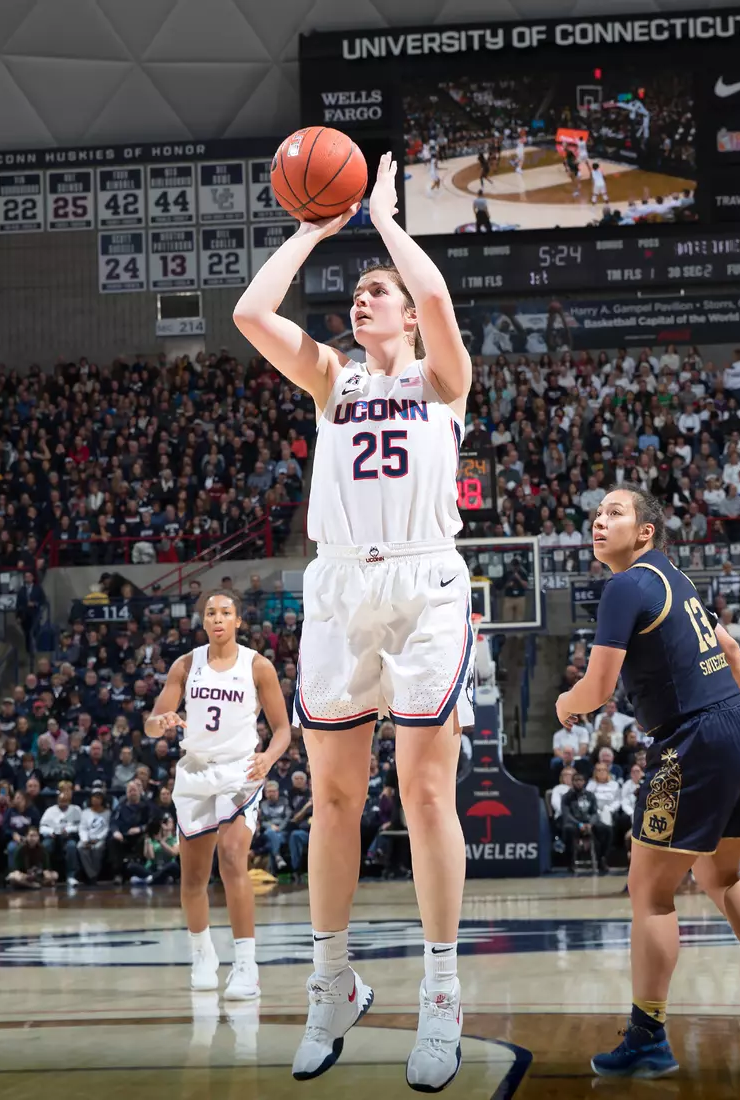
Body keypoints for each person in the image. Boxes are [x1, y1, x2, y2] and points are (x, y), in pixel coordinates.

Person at [233, 151, 475, 1090]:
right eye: (361, 294)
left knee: (423, 794)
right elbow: (254, 316)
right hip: (338, 587)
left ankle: (443, 995)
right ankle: (331, 983)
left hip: (424, 587)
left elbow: (442, 303)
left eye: (379, 293)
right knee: (332, 797)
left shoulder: (441, 378)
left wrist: (383, 223)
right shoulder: (331, 378)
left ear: (405, 315)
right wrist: (314, 230)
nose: (363, 300)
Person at [555, 487, 740, 1079]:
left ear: (645, 532)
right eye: (596, 514)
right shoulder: (674, 579)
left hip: (693, 741)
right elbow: (726, 645)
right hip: (738, 731)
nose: (599, 522)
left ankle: (648, 1037)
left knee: (649, 893)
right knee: (720, 875)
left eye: (614, 514)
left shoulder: (626, 585)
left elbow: (597, 690)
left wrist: (564, 704)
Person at [144, 591, 291, 1001]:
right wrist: (164, 722)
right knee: (192, 878)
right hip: (195, 771)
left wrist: (269, 758)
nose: (218, 618)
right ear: (204, 621)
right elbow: (151, 725)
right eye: (211, 613)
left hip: (240, 772)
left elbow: (282, 729)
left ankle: (247, 965)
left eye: (226, 612)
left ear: (239, 621)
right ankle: (202, 953)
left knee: (231, 856)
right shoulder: (186, 665)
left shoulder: (257, 666)